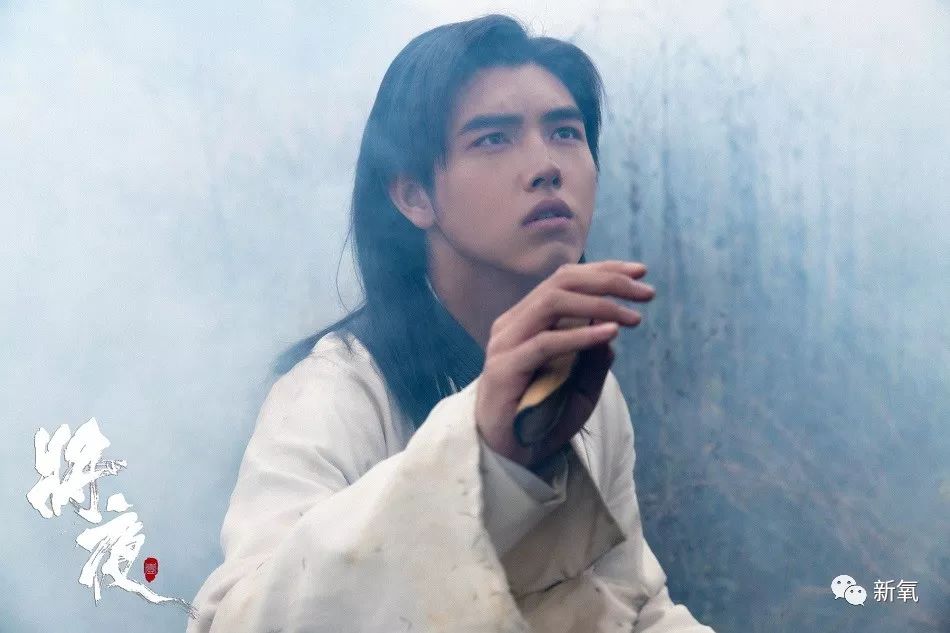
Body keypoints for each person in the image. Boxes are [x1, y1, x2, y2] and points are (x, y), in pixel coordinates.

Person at [188, 14, 715, 633]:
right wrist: (480, 447)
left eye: (566, 133)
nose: (546, 165)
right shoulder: (335, 392)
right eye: (493, 139)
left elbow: (630, 606)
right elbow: (237, 620)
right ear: (414, 195)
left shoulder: (584, 379)